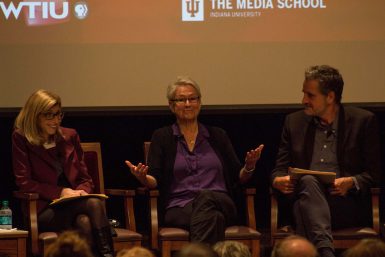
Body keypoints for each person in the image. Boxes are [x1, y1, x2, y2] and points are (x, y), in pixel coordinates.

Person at [126, 76, 264, 245]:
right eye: (181, 100)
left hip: (221, 201)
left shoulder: (218, 135)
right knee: (213, 217)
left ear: (200, 102)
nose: (188, 104)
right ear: (171, 105)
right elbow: (154, 179)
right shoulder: (162, 137)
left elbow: (238, 177)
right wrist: (142, 177)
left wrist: (249, 167)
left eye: (192, 98)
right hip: (180, 207)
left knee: (206, 197)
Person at [271, 65, 381, 257]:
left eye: (310, 95)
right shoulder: (294, 122)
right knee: (307, 182)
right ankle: (325, 251)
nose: (303, 100)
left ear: (330, 97)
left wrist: (352, 182)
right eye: (304, 94)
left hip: (343, 205)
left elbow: (376, 174)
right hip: (305, 197)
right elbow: (278, 170)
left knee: (302, 208)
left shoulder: (363, 121)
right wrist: (278, 180)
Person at [12, 89, 114, 257]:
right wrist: (61, 192)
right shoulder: (21, 138)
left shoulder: (70, 135)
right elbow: (24, 182)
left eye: (58, 115)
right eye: (49, 115)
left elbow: (85, 178)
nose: (55, 121)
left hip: (76, 203)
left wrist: (81, 192)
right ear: (35, 115)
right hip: (44, 209)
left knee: (85, 222)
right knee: (94, 204)